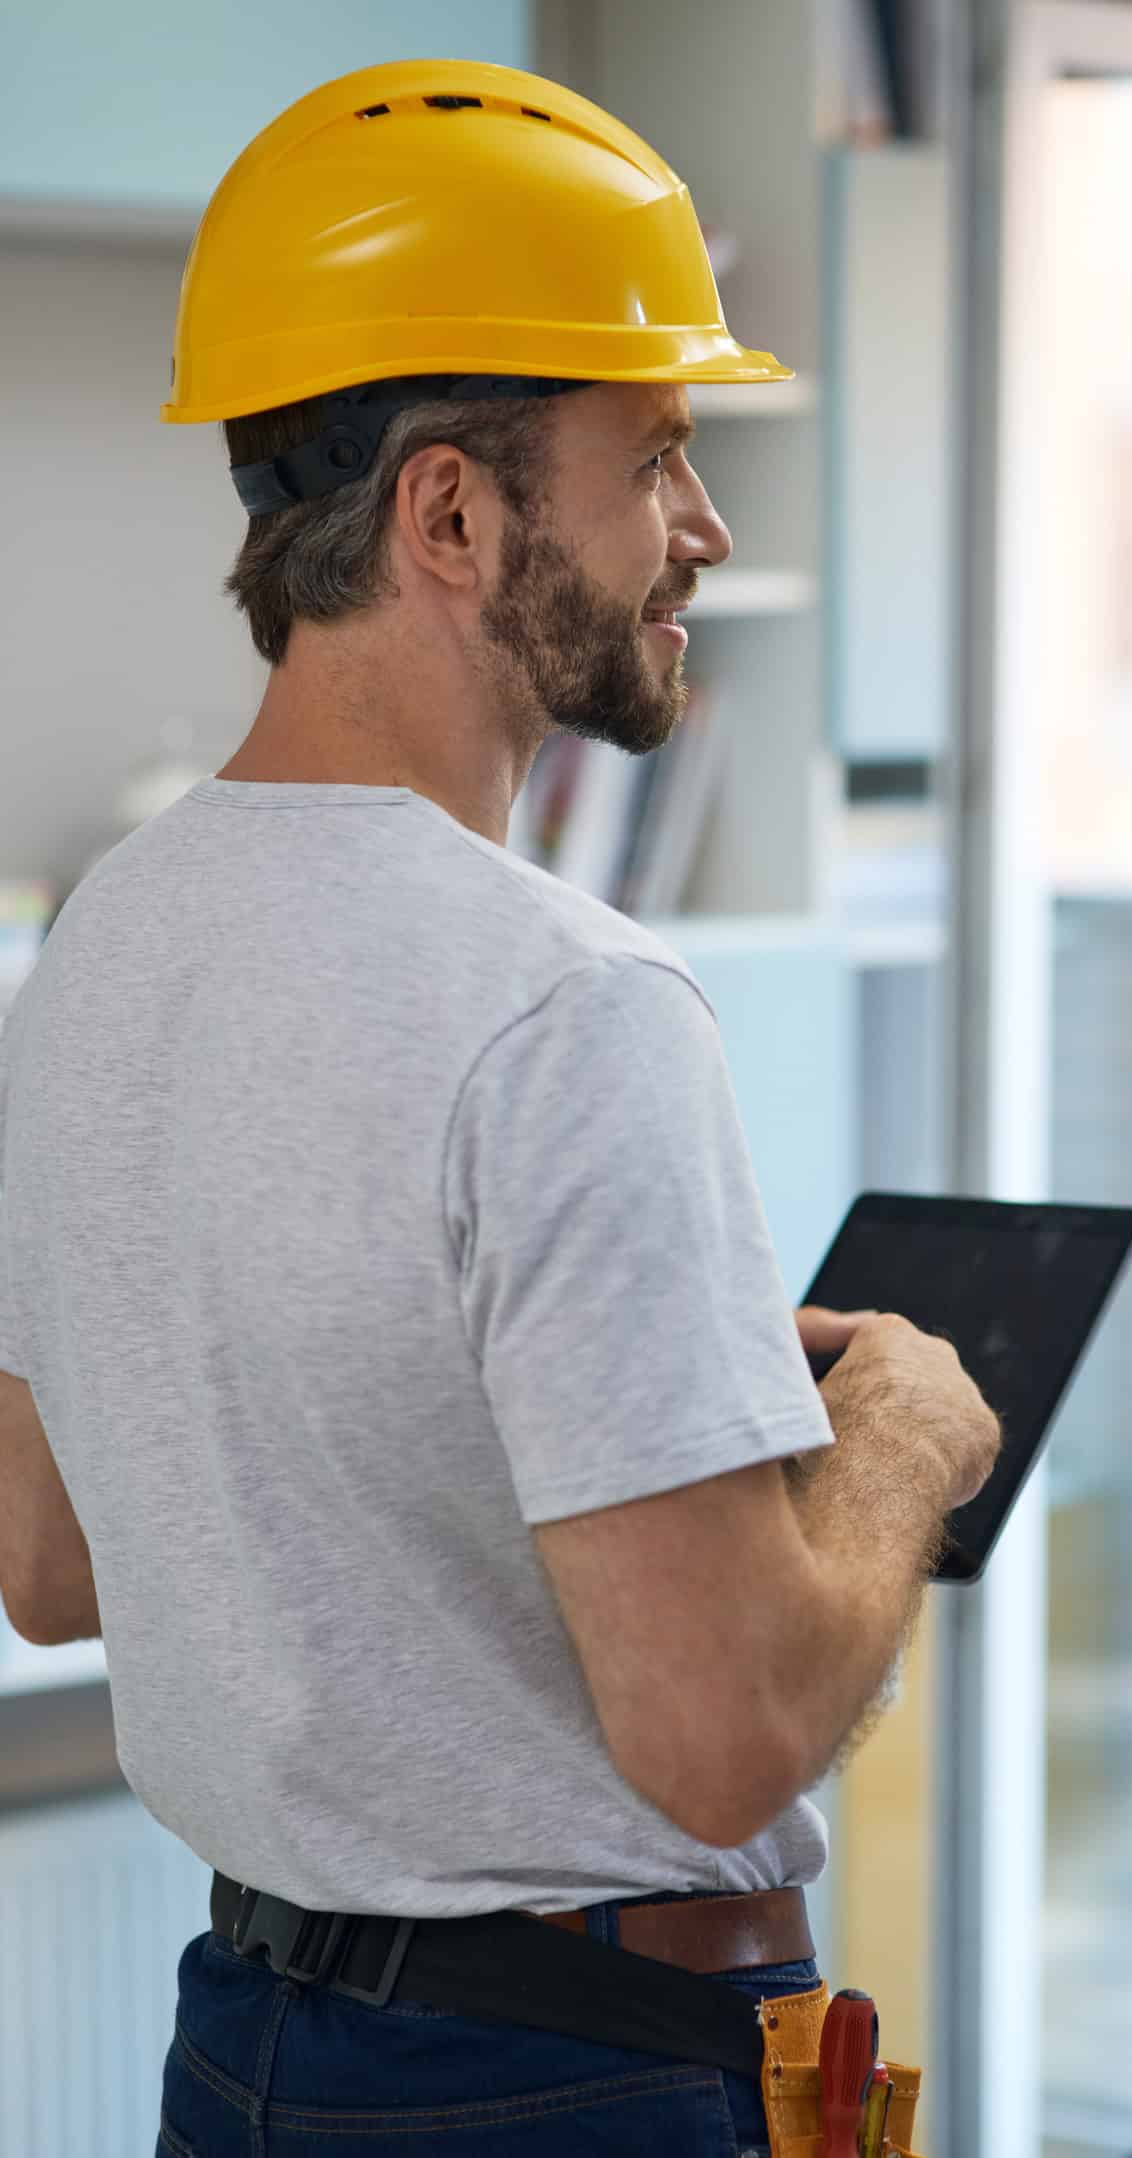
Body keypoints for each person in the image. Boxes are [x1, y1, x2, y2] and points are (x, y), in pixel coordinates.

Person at [0, 57, 1001, 2156]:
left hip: (248, 2055)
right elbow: (720, 1740)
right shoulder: (575, 1004)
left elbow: (47, 1555)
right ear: (451, 511)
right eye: (657, 458)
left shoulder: (102, 934)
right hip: (568, 2086)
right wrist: (899, 1436)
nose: (702, 530)